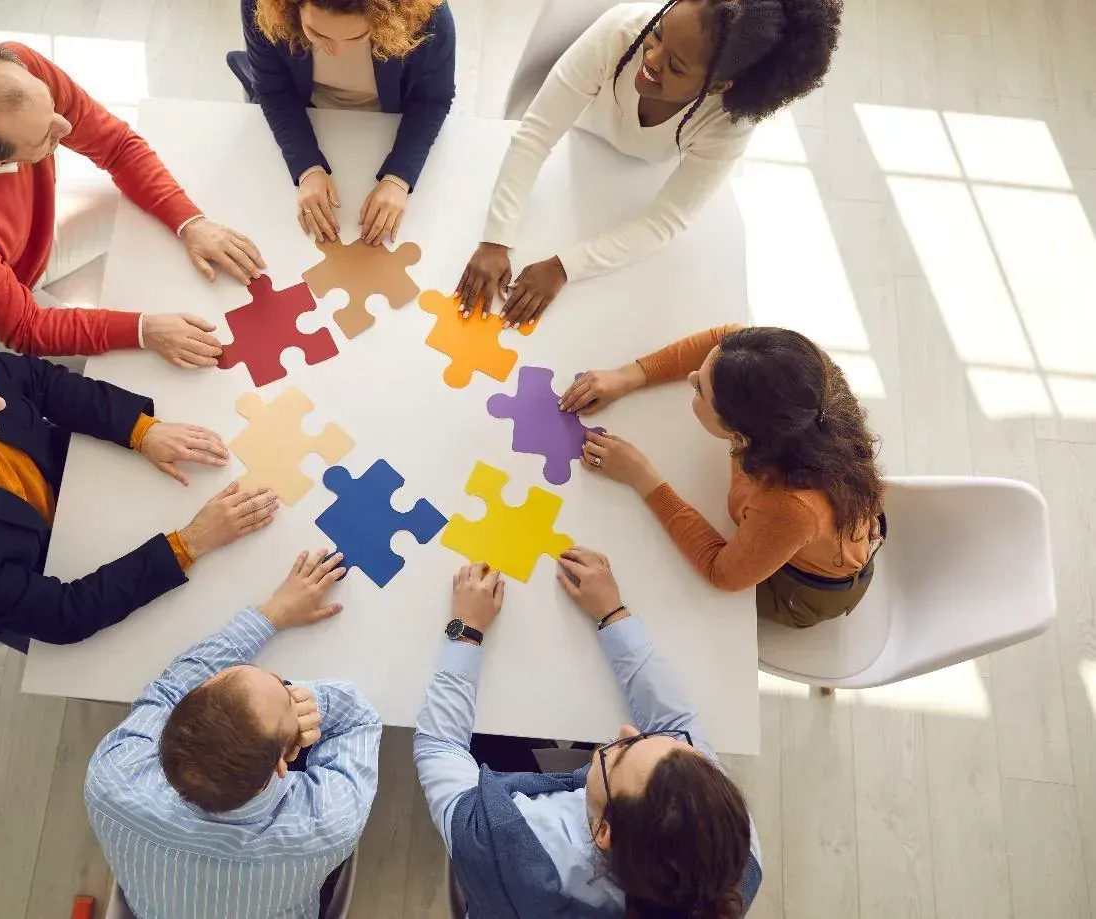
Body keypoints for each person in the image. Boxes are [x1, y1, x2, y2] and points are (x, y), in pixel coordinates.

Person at [0, 330, 279, 651]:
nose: (1, 403)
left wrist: (139, 430)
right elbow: (63, 615)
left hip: (77, 489)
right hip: (40, 576)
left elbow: (40, 382)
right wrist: (191, 542)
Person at [0, 38, 266, 363]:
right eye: (44, 139)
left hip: (29, 245)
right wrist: (144, 329)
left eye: (50, 107)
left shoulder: (20, 73)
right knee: (133, 366)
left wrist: (191, 223)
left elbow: (116, 147)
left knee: (150, 203)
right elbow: (25, 329)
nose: (64, 127)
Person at [456, 0, 842, 327]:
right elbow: (536, 134)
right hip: (578, 139)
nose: (651, 60)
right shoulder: (623, 30)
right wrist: (495, 239)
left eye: (676, 67)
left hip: (635, 178)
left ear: (718, 86)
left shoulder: (728, 124)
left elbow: (665, 221)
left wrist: (564, 266)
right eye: (656, 34)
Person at [414, 554, 761, 917]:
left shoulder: (496, 838)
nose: (627, 731)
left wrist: (465, 628)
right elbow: (675, 718)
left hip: (498, 880)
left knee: (490, 740)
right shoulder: (735, 852)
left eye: (622, 752)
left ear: (603, 831)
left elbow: (439, 745)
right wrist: (612, 613)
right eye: (672, 745)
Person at [86, 549, 381, 919]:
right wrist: (309, 699)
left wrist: (273, 613)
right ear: (282, 763)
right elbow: (358, 718)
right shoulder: (321, 825)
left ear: (173, 721)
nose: (280, 678)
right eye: (282, 689)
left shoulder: (113, 777)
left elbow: (167, 689)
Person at [563, 324, 885, 628]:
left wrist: (642, 477)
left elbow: (722, 572)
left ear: (740, 438)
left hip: (806, 589)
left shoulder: (790, 506)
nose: (690, 377)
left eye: (700, 390)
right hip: (823, 523)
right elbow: (724, 339)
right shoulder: (796, 366)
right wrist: (630, 376)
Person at [237, 0, 456, 246]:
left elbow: (432, 100)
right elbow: (273, 90)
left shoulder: (429, 15)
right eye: (317, 33)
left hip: (388, 119)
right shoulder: (260, 6)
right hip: (304, 111)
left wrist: (399, 177)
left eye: (356, 37)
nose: (337, 52)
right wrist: (307, 167)